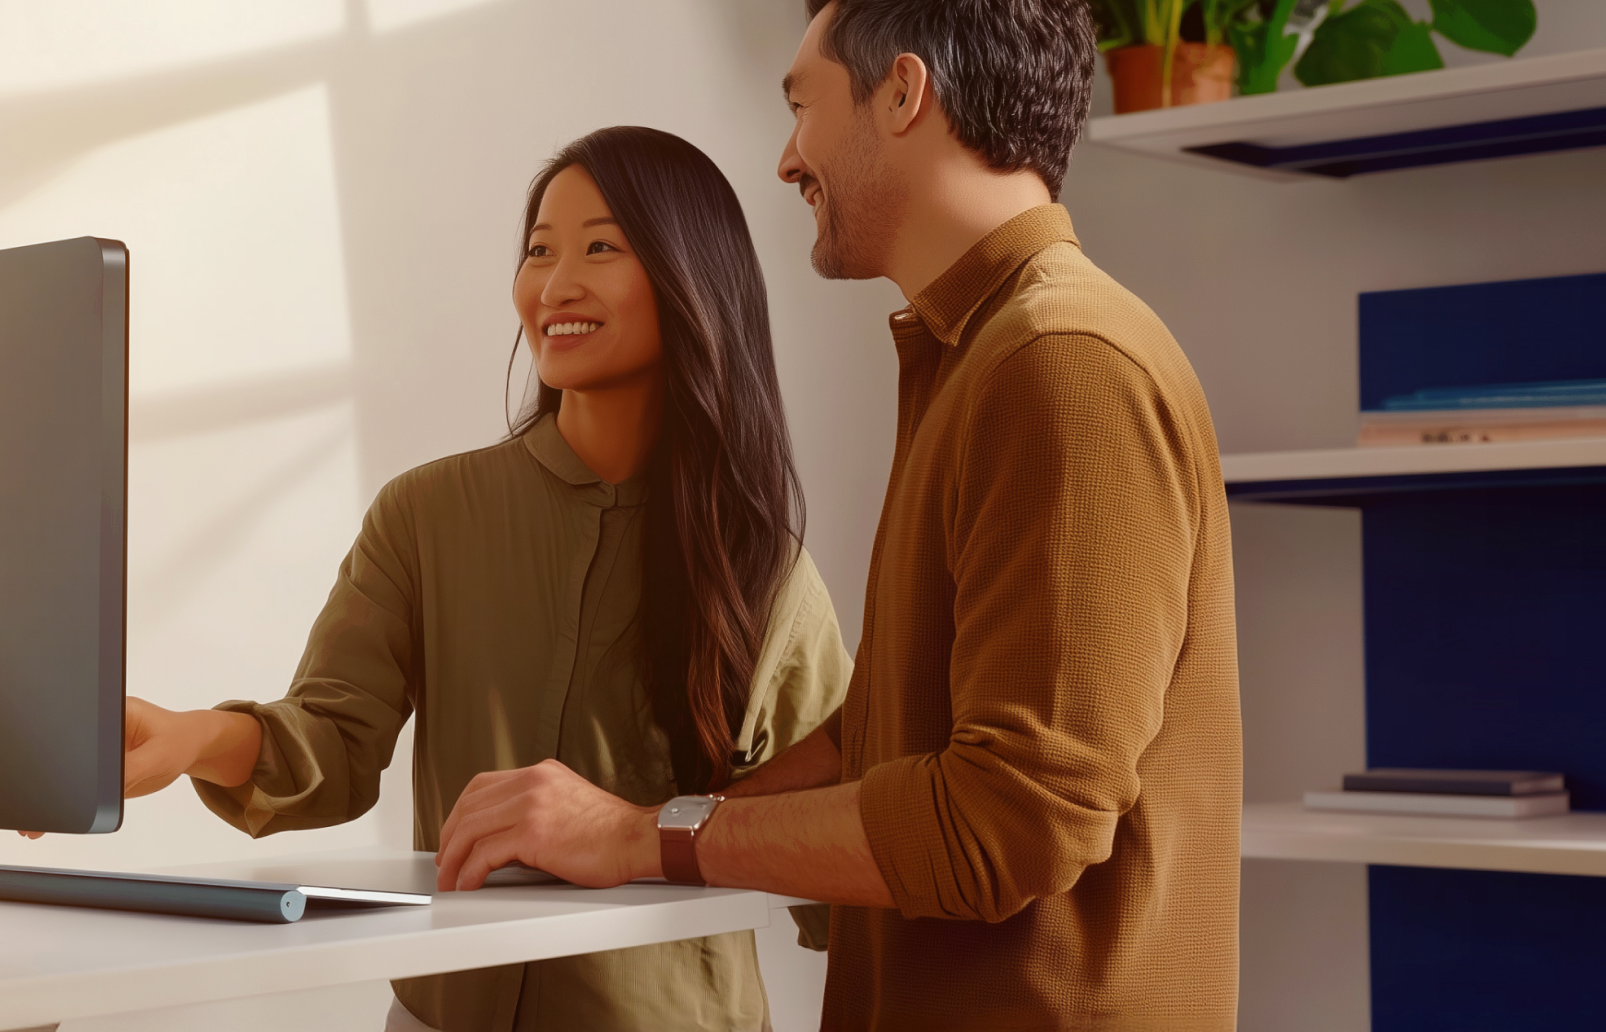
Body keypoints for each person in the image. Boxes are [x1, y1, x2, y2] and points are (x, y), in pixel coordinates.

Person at [430, 2, 1241, 1029]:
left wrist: (644, 841)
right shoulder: (979, 354)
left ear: (902, 94)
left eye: (800, 106)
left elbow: (1011, 821)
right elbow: (891, 729)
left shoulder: (1057, 363)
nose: (783, 159)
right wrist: (651, 823)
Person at [94, 126, 853, 1032]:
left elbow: (835, 839)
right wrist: (190, 738)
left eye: (599, 247)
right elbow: (332, 741)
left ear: (694, 277)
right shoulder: (425, 515)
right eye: (539, 251)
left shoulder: (767, 573)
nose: (554, 284)